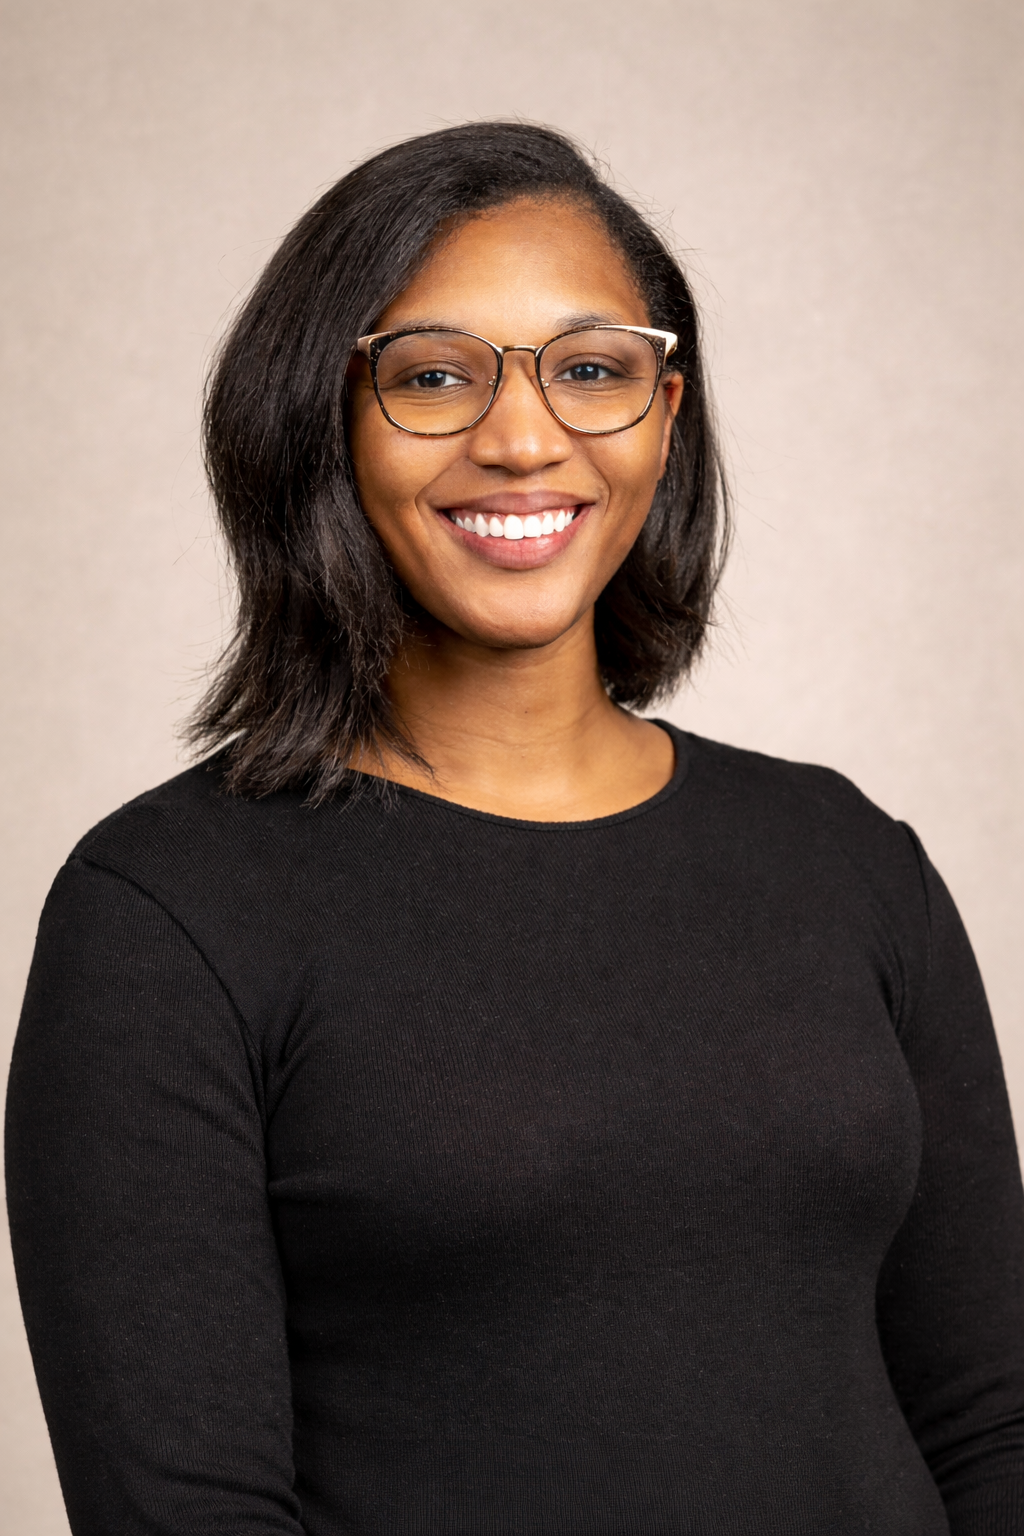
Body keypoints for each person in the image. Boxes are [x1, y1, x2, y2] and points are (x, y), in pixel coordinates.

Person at [6, 121, 1023, 1536]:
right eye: (434, 376)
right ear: (326, 420)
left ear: (666, 416)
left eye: (592, 369)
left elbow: (991, 1422)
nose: (524, 436)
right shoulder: (166, 911)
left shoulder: (852, 861)